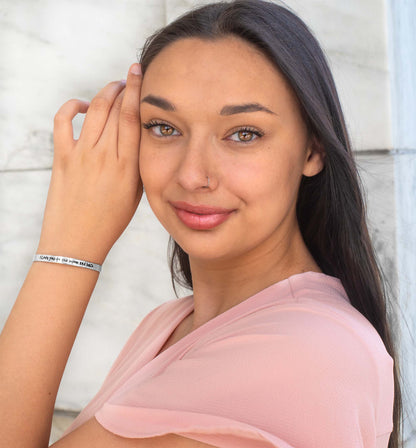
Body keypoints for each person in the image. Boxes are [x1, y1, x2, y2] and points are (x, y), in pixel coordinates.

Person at [0, 0, 401, 447]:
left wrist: (70, 244)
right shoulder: (169, 324)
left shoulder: (309, 350)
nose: (193, 174)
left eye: (244, 134)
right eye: (164, 128)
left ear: (312, 151)